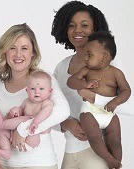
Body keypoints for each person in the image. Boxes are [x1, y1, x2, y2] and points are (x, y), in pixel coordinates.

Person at [51, 1, 134, 168]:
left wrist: (94, 97)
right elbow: (48, 111)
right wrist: (66, 124)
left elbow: (129, 107)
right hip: (70, 152)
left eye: (84, 25)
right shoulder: (61, 68)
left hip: (98, 152)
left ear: (95, 29)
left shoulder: (110, 63)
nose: (77, 30)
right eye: (71, 25)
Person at [0, 23, 70, 169]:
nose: (18, 54)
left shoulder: (44, 80)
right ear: (5, 52)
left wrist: (23, 129)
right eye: (12, 48)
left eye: (24, 48)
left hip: (40, 164)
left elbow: (63, 111)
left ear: (33, 52)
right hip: (6, 164)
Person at [67, 31, 130, 169]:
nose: (85, 58)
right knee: (95, 138)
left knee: (115, 141)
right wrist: (84, 84)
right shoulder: (86, 70)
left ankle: (116, 162)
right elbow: (70, 81)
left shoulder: (116, 73)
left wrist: (115, 102)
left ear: (104, 57)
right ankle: (108, 158)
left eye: (89, 55)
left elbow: (127, 91)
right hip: (89, 111)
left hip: (109, 113)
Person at [0, 70, 53, 160]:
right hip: (16, 138)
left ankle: (3, 124)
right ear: (27, 90)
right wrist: (15, 111)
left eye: (41, 89)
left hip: (33, 138)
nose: (37, 92)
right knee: (2, 132)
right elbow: (20, 110)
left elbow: (46, 112)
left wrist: (35, 122)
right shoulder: (27, 102)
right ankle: (6, 150)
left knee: (25, 119)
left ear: (50, 91)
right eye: (32, 89)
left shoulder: (46, 103)